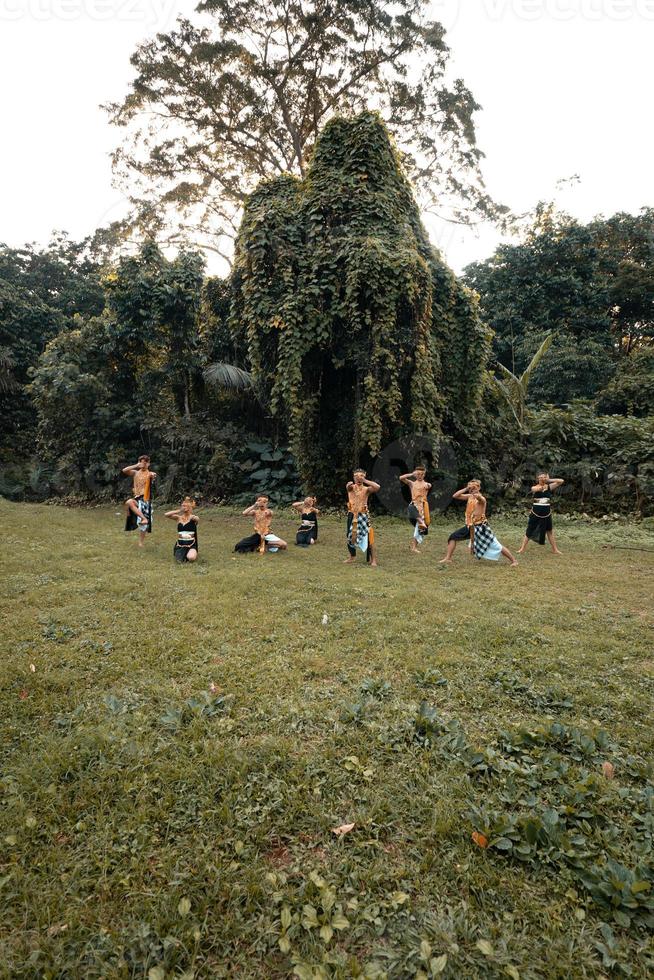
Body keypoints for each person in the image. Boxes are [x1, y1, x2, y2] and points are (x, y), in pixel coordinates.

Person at [439, 480, 518, 566]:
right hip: (470, 526)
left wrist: (478, 496)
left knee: (496, 545)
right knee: (452, 537)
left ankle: (514, 561)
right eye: (470, 488)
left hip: (481, 527)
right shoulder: (469, 496)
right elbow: (455, 496)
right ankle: (448, 558)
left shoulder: (482, 499)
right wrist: (466, 488)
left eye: (474, 488)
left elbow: (481, 500)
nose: (472, 490)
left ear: (479, 488)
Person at [518, 472, 564, 554]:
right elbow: (536, 489)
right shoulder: (534, 487)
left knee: (549, 531)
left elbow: (561, 481)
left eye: (544, 477)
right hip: (536, 512)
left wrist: (549, 480)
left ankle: (555, 549)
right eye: (541, 477)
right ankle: (522, 549)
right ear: (538, 479)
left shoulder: (549, 487)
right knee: (530, 529)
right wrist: (541, 487)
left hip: (546, 512)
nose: (543, 479)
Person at [344, 469, 380, 567]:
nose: (359, 478)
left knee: (369, 536)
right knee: (349, 535)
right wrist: (349, 483)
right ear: (354, 478)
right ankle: (352, 556)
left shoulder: (366, 489)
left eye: (361, 476)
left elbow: (377, 487)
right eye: (357, 476)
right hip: (352, 514)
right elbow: (348, 487)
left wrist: (365, 481)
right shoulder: (351, 487)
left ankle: (373, 559)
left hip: (363, 515)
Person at [122, 455, 156, 547]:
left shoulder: (150, 474)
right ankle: (142, 517)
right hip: (137, 498)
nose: (143, 464)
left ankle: (141, 542)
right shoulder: (135, 473)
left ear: (148, 463)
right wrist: (136, 465)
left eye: (145, 462)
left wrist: (152, 476)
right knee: (129, 502)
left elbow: (153, 476)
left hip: (145, 499)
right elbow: (124, 470)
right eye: (142, 462)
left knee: (143, 525)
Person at [399, 466, 432, 553]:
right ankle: (421, 522)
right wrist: (411, 474)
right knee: (411, 508)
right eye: (418, 474)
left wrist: (428, 485)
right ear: (415, 474)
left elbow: (429, 486)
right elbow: (401, 478)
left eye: (422, 474)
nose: (420, 475)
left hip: (422, 507)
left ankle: (414, 547)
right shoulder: (412, 483)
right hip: (414, 505)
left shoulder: (426, 484)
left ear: (424, 475)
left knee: (419, 528)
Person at [165, 497, 199, 563]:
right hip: (180, 544)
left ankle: (191, 552)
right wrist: (178, 511)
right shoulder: (178, 518)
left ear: (189, 507)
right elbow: (166, 515)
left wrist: (194, 518)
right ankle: (182, 553)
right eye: (182, 506)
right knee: (179, 561)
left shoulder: (192, 518)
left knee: (191, 558)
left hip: (191, 544)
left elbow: (197, 519)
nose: (183, 507)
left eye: (185, 506)